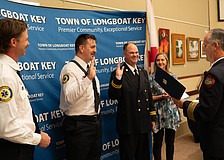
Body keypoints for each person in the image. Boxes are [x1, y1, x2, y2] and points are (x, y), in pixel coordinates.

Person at [0, 18, 51, 160]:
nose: (28, 43)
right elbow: (6, 127)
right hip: (13, 150)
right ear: (13, 42)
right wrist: (37, 138)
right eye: (26, 39)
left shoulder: (10, 71)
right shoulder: (5, 75)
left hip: (20, 146)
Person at [173, 28, 224, 160]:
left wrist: (183, 104)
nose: (203, 50)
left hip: (217, 140)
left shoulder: (213, 75)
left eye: (205, 45)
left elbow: (206, 112)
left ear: (215, 45)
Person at [108, 42, 156, 160]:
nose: (135, 55)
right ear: (124, 54)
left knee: (143, 156)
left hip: (144, 123)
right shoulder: (118, 73)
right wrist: (118, 79)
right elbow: (113, 95)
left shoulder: (143, 72)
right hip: (128, 124)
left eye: (136, 52)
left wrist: (152, 117)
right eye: (131, 53)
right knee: (128, 157)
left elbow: (149, 96)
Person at [59, 34, 101, 160]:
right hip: (79, 127)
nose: (95, 50)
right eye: (92, 47)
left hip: (95, 124)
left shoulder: (89, 68)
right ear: (81, 48)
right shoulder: (69, 69)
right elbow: (70, 97)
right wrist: (88, 78)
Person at [149, 52, 182, 160]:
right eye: (158, 60)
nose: (160, 62)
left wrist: (173, 94)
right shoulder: (151, 78)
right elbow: (149, 98)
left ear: (166, 62)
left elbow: (178, 94)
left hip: (171, 113)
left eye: (162, 60)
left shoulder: (172, 76)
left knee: (170, 142)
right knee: (157, 142)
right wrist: (161, 96)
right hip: (158, 113)